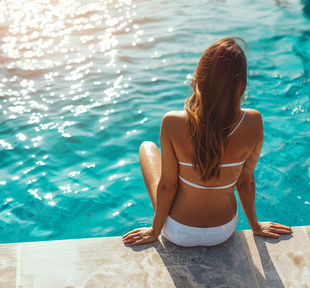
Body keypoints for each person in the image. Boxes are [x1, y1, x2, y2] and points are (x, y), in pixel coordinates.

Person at [123, 37, 292, 247]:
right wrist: (255, 226)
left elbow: (168, 186)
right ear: (242, 84)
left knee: (147, 147)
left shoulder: (173, 122)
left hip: (179, 230)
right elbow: (245, 182)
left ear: (199, 78)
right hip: (223, 231)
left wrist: (154, 231)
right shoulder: (254, 121)